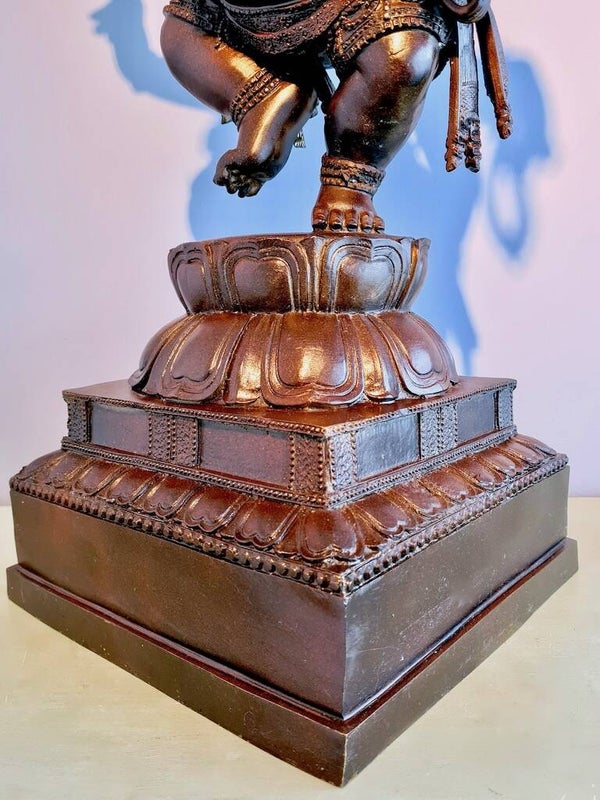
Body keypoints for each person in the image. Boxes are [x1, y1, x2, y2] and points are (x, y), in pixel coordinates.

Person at [161, 0, 508, 232]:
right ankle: (257, 91)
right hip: (227, 14)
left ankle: (349, 184)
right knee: (181, 32)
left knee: (403, 54)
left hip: (368, 8)